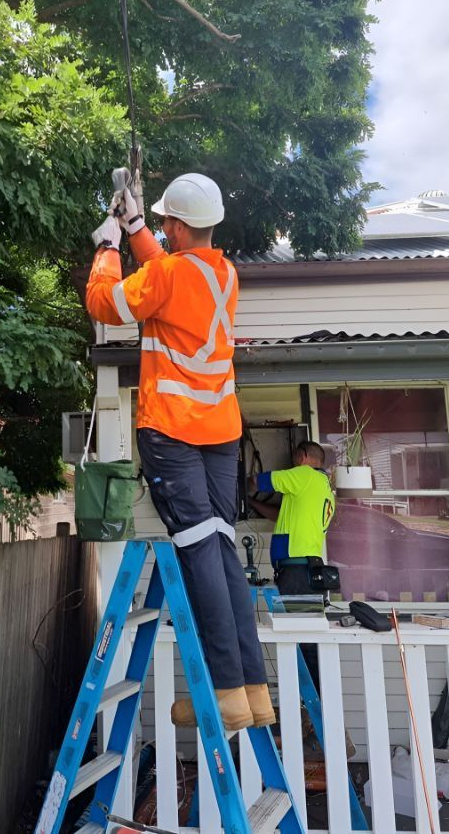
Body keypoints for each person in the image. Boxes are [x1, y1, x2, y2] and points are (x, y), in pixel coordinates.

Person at [85, 172, 274, 731]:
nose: (164, 231)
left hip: (172, 432)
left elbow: (104, 303)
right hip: (218, 432)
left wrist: (108, 246)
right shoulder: (222, 273)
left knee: (198, 552)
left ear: (180, 226)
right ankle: (252, 692)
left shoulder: (168, 275)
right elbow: (169, 269)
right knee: (220, 549)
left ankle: (224, 693)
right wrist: (137, 226)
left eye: (167, 223)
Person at [250, 440, 336, 689]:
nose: (293, 463)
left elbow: (259, 481)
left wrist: (239, 484)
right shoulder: (322, 487)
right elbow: (279, 515)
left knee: (302, 638)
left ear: (304, 456)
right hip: (308, 570)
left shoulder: (304, 475)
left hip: (298, 572)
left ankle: (315, 700)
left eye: (295, 458)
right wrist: (252, 503)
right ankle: (315, 698)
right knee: (305, 637)